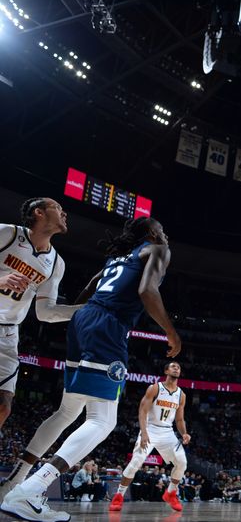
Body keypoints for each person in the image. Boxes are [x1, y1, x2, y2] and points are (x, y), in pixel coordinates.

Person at [0, 217, 181, 522]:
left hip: (84, 320)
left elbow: (89, 286)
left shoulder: (116, 258)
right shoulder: (157, 248)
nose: (165, 234)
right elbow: (148, 291)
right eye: (161, 229)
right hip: (108, 326)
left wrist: (89, 318)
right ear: (151, 233)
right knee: (102, 420)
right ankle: (29, 491)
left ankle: (17, 482)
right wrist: (171, 332)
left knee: (68, 412)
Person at [0, 198, 89, 432]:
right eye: (58, 208)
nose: (64, 213)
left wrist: (87, 311)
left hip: (8, 334)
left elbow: (45, 313)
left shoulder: (55, 263)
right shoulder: (7, 233)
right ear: (39, 213)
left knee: (3, 405)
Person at [110, 360, 190, 512]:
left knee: (182, 462)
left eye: (178, 367)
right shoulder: (155, 388)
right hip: (150, 429)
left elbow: (179, 419)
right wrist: (144, 432)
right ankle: (119, 496)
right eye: (173, 366)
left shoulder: (182, 395)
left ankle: (171, 493)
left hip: (167, 432)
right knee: (136, 461)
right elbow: (143, 411)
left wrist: (184, 433)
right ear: (166, 371)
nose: (176, 368)